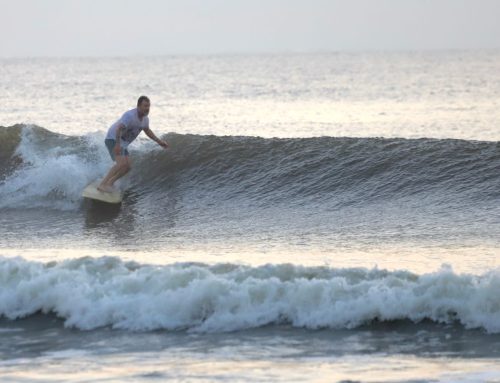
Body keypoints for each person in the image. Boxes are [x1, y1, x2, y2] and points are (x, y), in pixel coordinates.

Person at [98, 96, 168, 193]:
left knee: (127, 167)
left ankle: (110, 183)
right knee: (121, 163)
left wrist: (159, 142)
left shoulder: (145, 119)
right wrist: (117, 145)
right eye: (145, 106)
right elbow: (119, 128)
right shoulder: (130, 116)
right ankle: (102, 184)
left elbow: (147, 131)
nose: (147, 108)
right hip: (113, 138)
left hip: (123, 143)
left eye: (148, 106)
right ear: (138, 106)